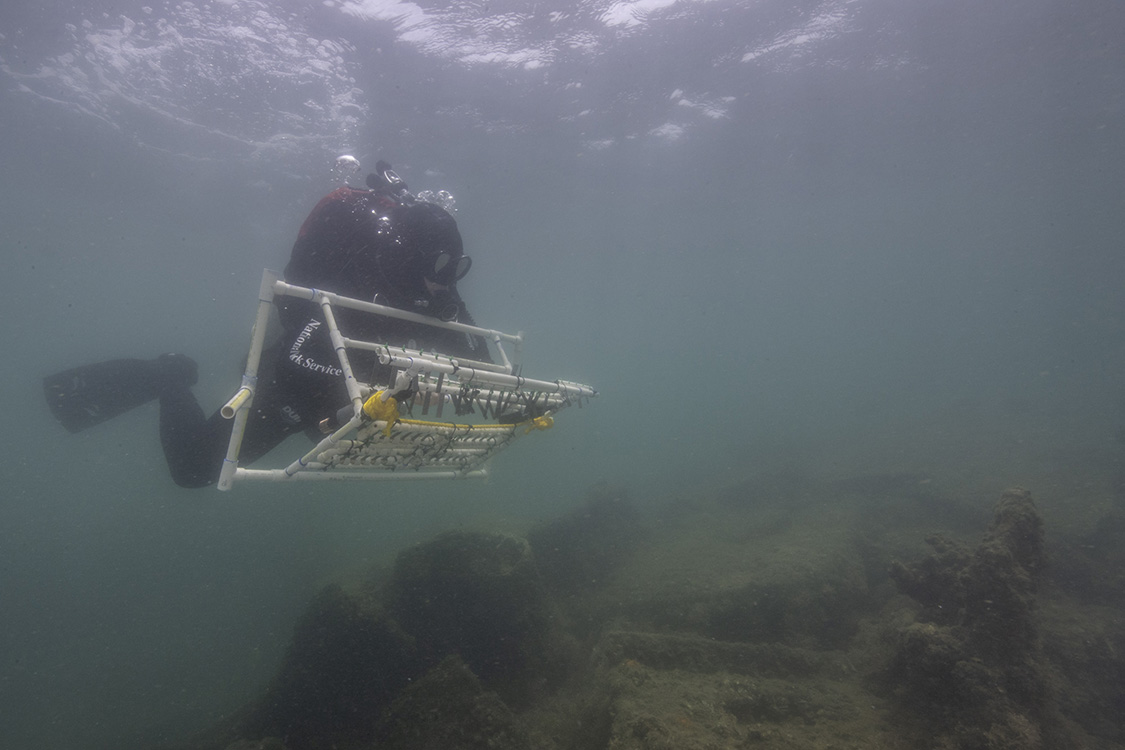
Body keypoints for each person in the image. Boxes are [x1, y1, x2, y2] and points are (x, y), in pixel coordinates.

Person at [43, 161, 491, 488]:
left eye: (457, 267)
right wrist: (395, 385)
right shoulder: (364, 275)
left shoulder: (429, 288)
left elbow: (478, 359)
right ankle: (169, 377)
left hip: (345, 399)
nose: (447, 281)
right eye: (440, 265)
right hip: (295, 384)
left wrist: (504, 398)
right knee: (193, 469)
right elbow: (298, 358)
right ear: (413, 257)